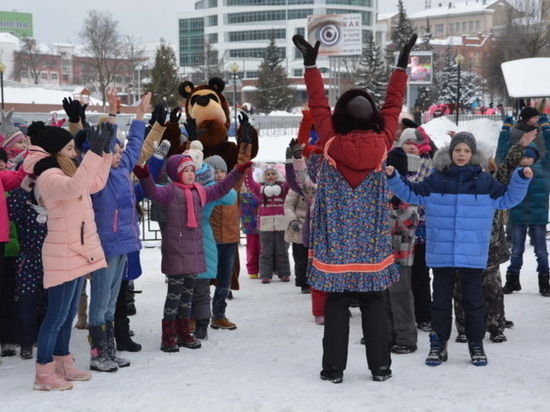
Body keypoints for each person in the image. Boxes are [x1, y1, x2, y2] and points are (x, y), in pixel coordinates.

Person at [292, 33, 417, 384]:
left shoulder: (330, 140)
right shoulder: (383, 142)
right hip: (373, 246)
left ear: (342, 115)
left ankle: (333, 368)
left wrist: (311, 66)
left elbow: (318, 105)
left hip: (336, 247)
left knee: (336, 306)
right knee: (374, 304)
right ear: (373, 116)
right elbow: (393, 106)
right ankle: (381, 367)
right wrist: (400, 66)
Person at [386, 131, 532, 367]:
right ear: (450, 153)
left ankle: (476, 345)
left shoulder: (484, 181)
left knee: (474, 303)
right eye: (457, 150)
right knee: (440, 303)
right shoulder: (436, 179)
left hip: (472, 256)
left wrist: (521, 178)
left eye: (466, 151)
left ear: (473, 155)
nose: (461, 154)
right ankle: (438, 345)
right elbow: (411, 193)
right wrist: (394, 178)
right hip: (441, 256)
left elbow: (507, 199)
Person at [133, 144, 252, 353]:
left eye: (191, 170)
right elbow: (152, 192)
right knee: (174, 296)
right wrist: (144, 176)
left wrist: (237, 172)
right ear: (176, 173)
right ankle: (169, 336)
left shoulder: (200, 192)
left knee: (188, 296)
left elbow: (221, 188)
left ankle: (184, 332)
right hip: (176, 250)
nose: (190, 174)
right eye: (185, 171)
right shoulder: (170, 192)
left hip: (195, 250)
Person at [23, 121, 113, 391]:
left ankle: (63, 363)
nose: (75, 153)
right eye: (70, 148)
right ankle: (44, 372)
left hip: (76, 250)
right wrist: (93, 153)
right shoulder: (49, 176)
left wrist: (105, 152)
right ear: (56, 151)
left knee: (69, 313)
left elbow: (93, 183)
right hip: (62, 251)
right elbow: (74, 188)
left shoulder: (66, 170)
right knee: (56, 315)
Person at [453, 129, 538, 343]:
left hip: (489, 245)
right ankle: (463, 327)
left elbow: (507, 168)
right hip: (462, 245)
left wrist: (519, 147)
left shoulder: (490, 180)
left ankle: (496, 326)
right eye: (461, 152)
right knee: (461, 287)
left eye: (469, 152)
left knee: (491, 288)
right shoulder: (456, 179)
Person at [86, 92, 150, 372]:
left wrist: (138, 116)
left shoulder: (123, 168)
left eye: (121, 151)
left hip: (124, 244)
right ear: (104, 153)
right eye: (115, 150)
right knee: (100, 301)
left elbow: (136, 144)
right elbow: (101, 147)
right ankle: (97, 353)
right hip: (105, 245)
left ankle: (110, 351)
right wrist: (112, 115)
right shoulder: (96, 177)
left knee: (111, 302)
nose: (121, 154)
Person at [496, 111, 550, 296]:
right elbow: (502, 155)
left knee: (541, 252)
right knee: (516, 250)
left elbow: (549, 148)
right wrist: (505, 131)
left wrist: (546, 128)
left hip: (539, 217)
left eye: (529, 156)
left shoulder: (544, 168)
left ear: (536, 157)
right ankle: (513, 280)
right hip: (517, 216)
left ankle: (545, 281)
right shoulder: (513, 170)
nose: (525, 159)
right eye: (523, 156)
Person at [384, 147, 419, 354]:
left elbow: (412, 222)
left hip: (401, 252)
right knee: (382, 297)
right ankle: (386, 334)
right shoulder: (378, 189)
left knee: (400, 297)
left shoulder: (409, 190)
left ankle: (406, 338)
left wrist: (399, 206)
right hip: (380, 253)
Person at [207, 155, 241, 331]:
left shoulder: (233, 187)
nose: (220, 175)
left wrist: (246, 144)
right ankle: (199, 315)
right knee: (204, 280)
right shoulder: (206, 190)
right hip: (210, 241)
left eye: (223, 171)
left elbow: (242, 164)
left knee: (224, 280)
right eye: (215, 171)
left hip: (229, 240)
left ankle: (219, 315)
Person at [244, 163, 291, 284]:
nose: (270, 176)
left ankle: (284, 273)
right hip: (265, 224)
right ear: (264, 176)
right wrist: (247, 168)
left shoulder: (283, 188)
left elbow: (292, 180)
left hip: (281, 222)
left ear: (277, 175)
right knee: (266, 251)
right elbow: (249, 182)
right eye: (268, 174)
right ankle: (265, 274)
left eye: (273, 174)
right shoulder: (259, 189)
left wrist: (291, 165)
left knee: (282, 250)